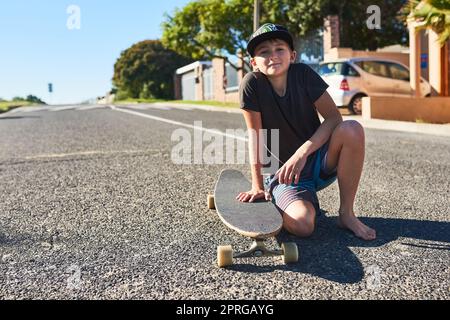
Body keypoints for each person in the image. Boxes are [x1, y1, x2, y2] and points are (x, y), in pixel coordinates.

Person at [237, 23, 376, 241]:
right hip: (286, 175)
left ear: (292, 55)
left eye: (279, 49)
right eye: (264, 52)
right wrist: (257, 186)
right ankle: (283, 198)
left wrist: (302, 153)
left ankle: (346, 214)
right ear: (254, 63)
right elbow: (256, 137)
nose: (273, 55)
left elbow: (333, 118)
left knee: (352, 129)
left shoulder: (303, 74)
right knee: (303, 226)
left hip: (319, 162)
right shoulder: (251, 84)